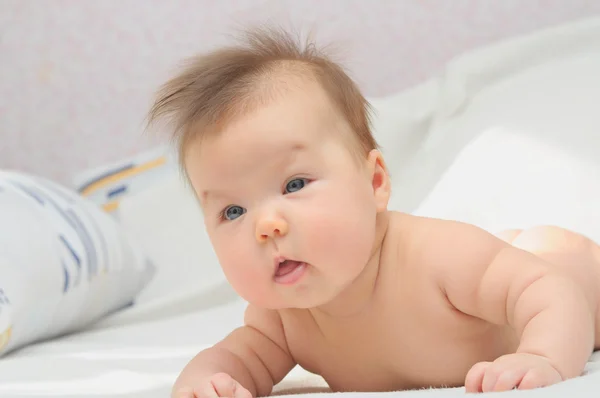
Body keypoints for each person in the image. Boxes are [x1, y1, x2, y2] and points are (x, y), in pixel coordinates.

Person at [147, 26, 600, 398]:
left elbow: (550, 292)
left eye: (295, 184)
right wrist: (203, 382)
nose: (266, 226)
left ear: (375, 182)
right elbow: (236, 358)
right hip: (513, 269)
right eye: (233, 211)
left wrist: (541, 356)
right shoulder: (283, 318)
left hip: (567, 271)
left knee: (551, 263)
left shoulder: (435, 256)